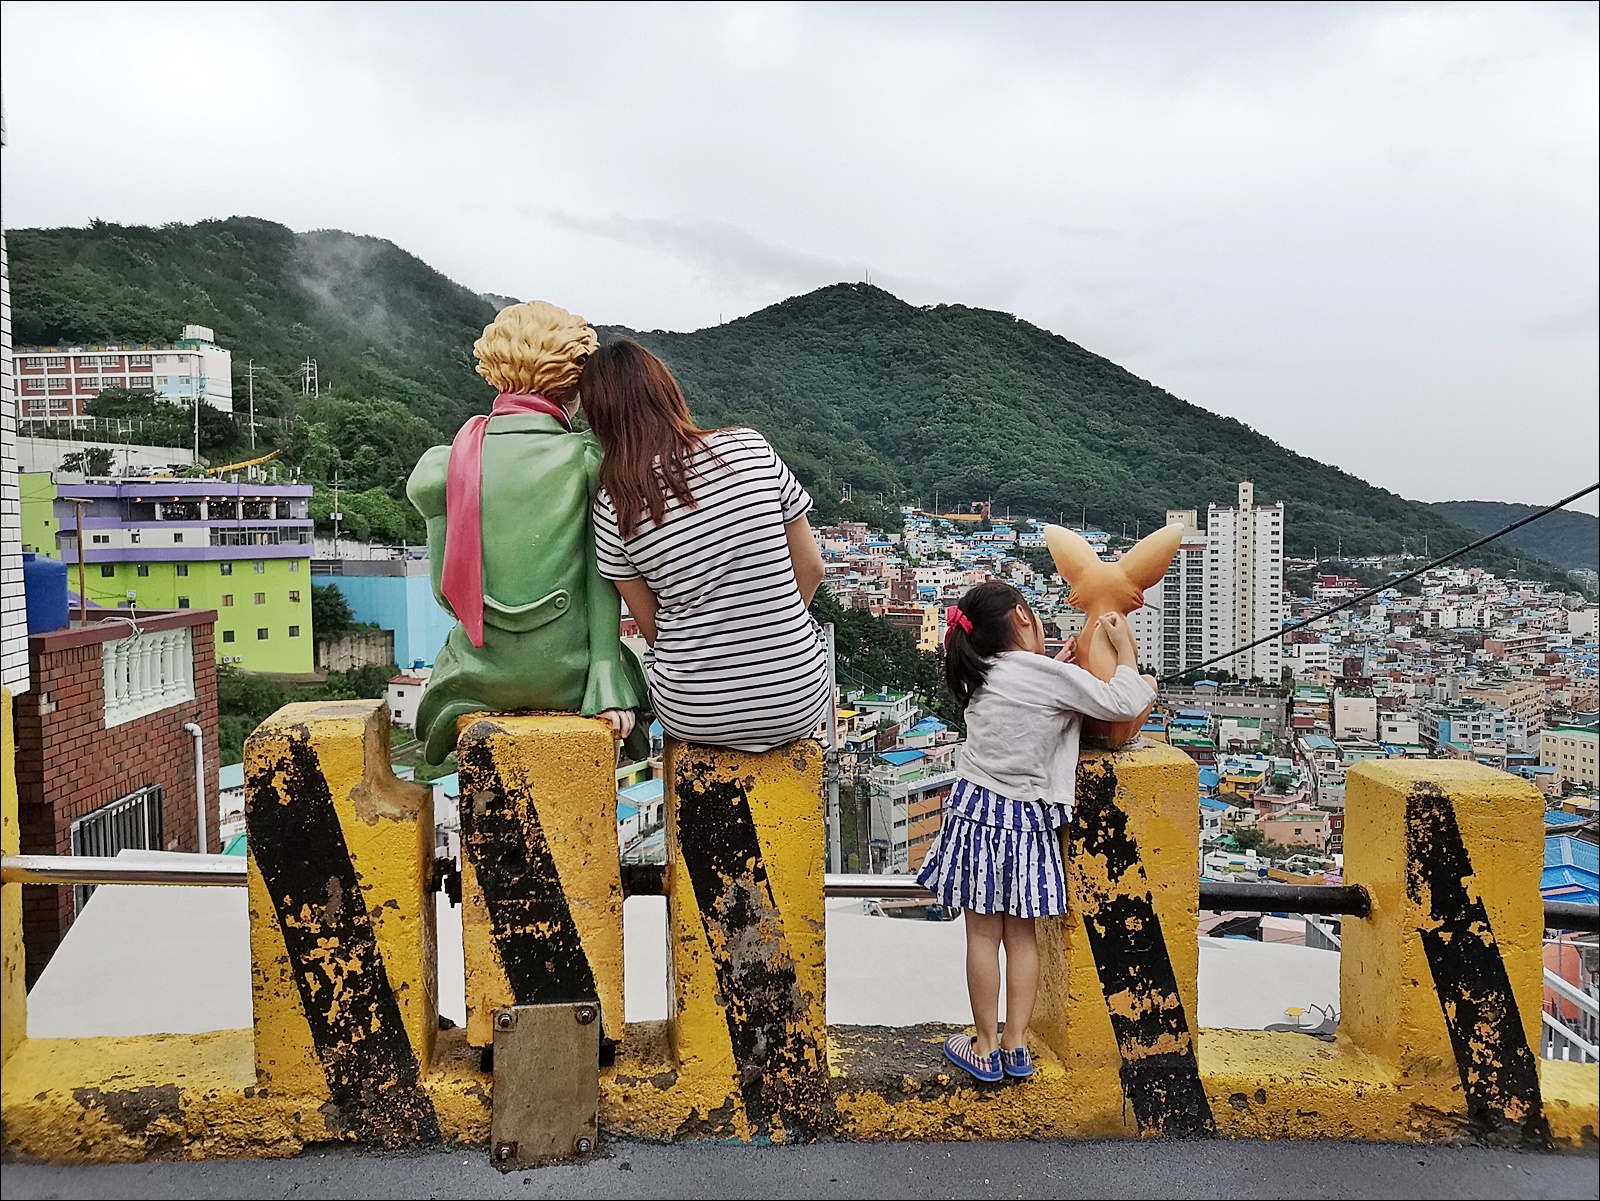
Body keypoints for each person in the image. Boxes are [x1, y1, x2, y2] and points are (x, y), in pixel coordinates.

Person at [915, 580, 1156, 1083]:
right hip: (1029, 821)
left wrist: (1058, 668)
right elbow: (1123, 702)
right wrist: (1127, 650)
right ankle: (1016, 1044)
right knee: (1022, 936)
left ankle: (983, 1044)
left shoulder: (981, 673)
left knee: (982, 934)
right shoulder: (1044, 676)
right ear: (1023, 617)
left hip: (975, 812)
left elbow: (1027, 703)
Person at [580, 339, 830, 751]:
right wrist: (767, 630)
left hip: (694, 713)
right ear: (668, 391)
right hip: (794, 701)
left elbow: (654, 630)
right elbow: (813, 569)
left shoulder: (612, 506)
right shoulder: (751, 448)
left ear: (599, 420)